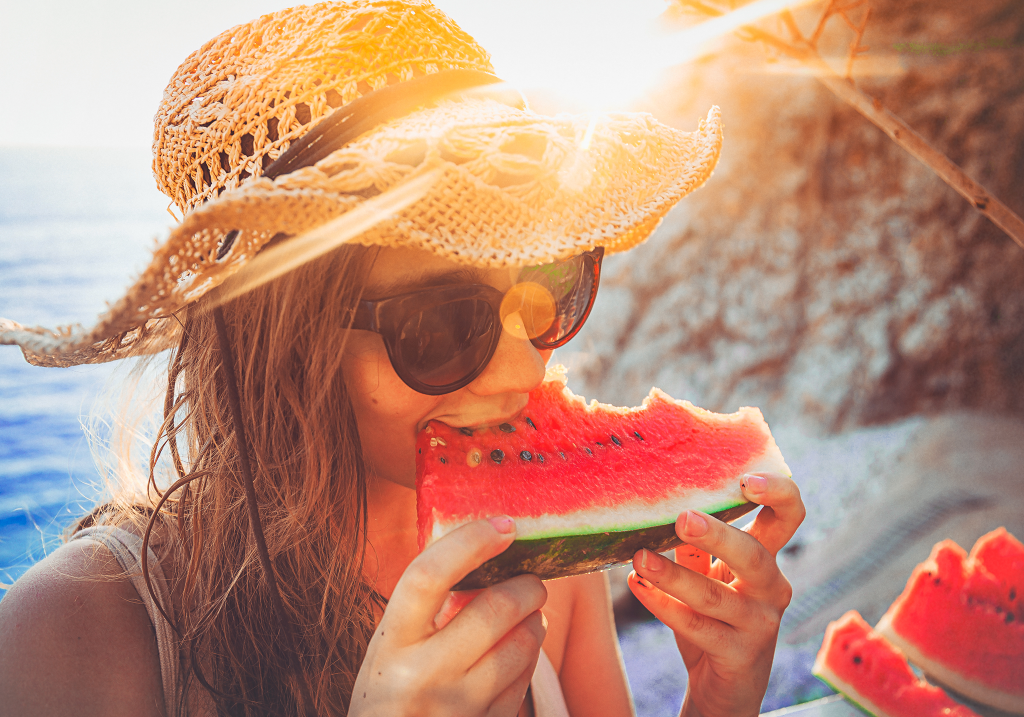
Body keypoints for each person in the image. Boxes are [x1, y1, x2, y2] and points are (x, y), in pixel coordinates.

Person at [0, 2, 804, 716]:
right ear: (281, 344)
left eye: (549, 284)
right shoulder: (74, 635)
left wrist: (718, 702)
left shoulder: (551, 566)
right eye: (441, 323)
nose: (523, 372)